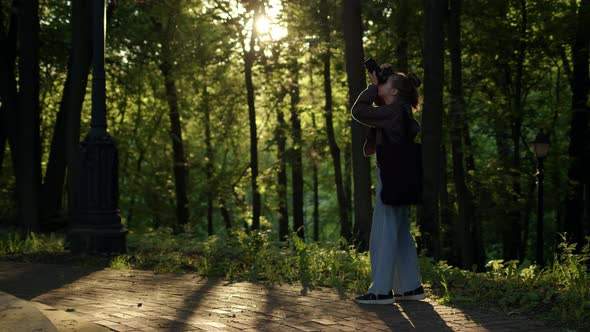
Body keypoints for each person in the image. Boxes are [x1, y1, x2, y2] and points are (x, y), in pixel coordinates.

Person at [351, 64, 425, 305]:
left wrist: (372, 88)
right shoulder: (400, 110)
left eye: (385, 84)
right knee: (401, 231)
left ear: (394, 92)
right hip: (402, 176)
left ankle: (381, 290)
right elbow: (384, 107)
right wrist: (385, 78)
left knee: (383, 231)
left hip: (391, 177)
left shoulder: (393, 112)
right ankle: (410, 287)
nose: (380, 85)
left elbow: (360, 111)